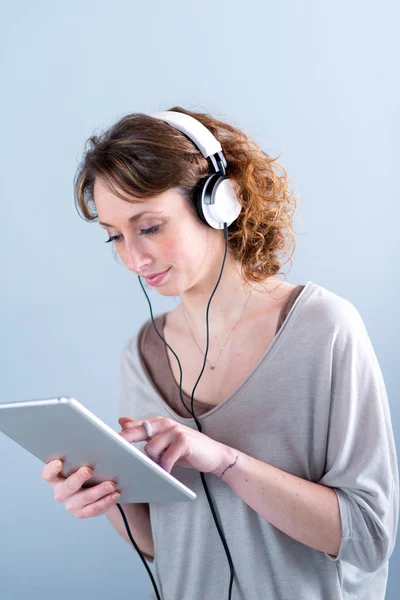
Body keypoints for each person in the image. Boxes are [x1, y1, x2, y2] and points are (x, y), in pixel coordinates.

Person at [42, 106, 399, 600]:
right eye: (115, 236)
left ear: (218, 203)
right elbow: (164, 545)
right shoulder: (142, 356)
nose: (132, 258)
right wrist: (104, 495)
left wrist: (224, 460)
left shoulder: (326, 330)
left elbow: (369, 537)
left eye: (149, 227)